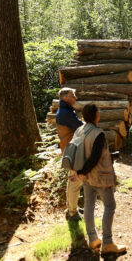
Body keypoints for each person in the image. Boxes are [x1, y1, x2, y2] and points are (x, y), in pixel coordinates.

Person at [76, 104, 126, 255]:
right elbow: (95, 157)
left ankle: (93, 240)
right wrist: (83, 171)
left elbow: (80, 153)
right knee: (110, 206)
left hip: (86, 177)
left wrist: (80, 172)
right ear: (96, 115)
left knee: (89, 205)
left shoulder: (79, 130)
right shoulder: (98, 133)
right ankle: (108, 243)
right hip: (101, 177)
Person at [56, 88, 84, 222]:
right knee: (75, 181)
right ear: (65, 97)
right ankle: (72, 212)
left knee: (73, 179)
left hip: (70, 149)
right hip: (72, 151)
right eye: (73, 96)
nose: (75, 98)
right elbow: (80, 128)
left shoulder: (67, 111)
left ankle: (72, 208)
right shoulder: (66, 113)